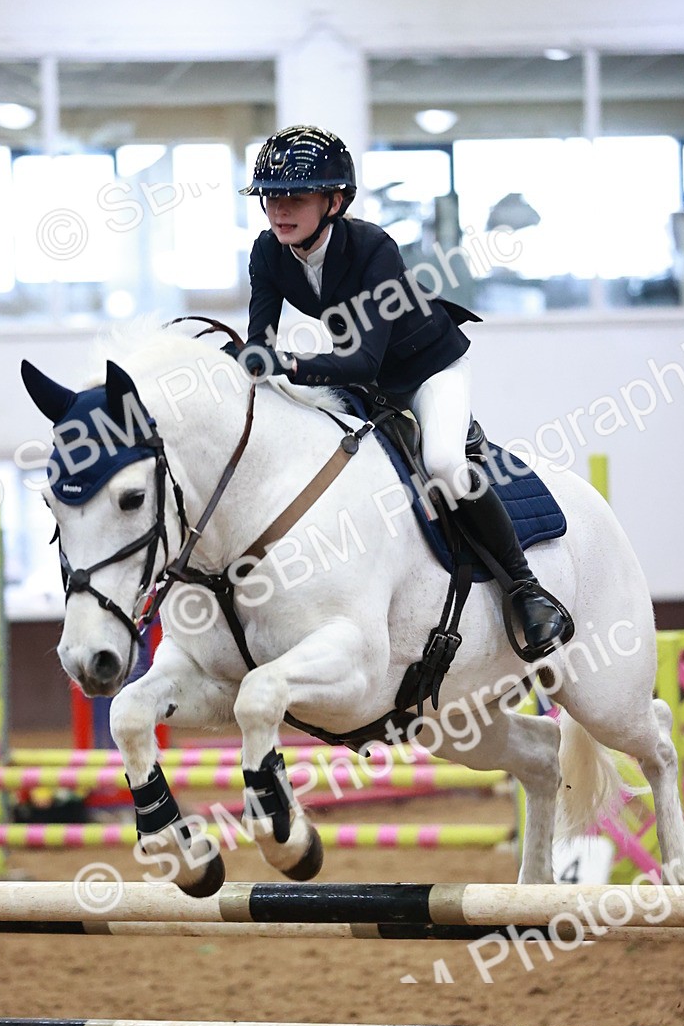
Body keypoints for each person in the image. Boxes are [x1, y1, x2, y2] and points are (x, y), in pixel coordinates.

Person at [237, 124, 570, 654]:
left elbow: (362, 358)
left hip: (428, 371)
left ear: (334, 201)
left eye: (295, 197)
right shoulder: (268, 252)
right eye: (271, 197)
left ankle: (526, 589)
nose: (279, 210)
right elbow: (261, 342)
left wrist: (286, 363)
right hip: (367, 383)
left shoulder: (373, 248)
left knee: (443, 463)